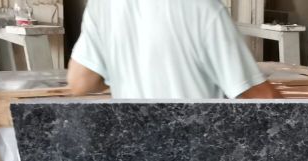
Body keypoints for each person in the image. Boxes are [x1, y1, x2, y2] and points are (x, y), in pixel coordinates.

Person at [67, 0, 279, 100]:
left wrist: (130, 72)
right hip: (194, 158)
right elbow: (259, 96)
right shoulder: (204, 8)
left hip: (133, 151)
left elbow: (80, 82)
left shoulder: (102, 5)